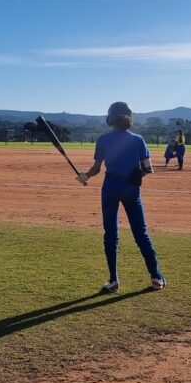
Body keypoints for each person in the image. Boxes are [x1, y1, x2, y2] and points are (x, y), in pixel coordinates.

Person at [76, 101, 165, 293]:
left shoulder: (103, 140)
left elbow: (96, 169)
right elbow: (148, 169)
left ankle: (113, 280)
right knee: (141, 233)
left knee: (111, 234)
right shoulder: (138, 139)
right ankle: (156, 277)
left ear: (110, 118)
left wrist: (84, 176)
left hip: (110, 188)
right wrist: (137, 175)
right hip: (131, 188)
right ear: (129, 117)